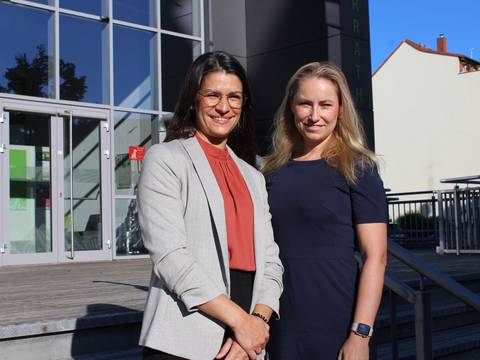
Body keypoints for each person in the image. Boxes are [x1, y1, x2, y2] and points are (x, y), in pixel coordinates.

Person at [137, 51, 283, 360]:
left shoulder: (253, 176)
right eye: (212, 95)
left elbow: (271, 260)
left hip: (248, 331)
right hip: (186, 328)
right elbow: (170, 257)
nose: (223, 106)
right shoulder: (166, 159)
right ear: (193, 99)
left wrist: (256, 323)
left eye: (234, 97)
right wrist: (240, 321)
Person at [262, 62, 388, 360]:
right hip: (280, 317)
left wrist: (360, 334)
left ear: (340, 109)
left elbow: (376, 257)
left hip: (337, 317)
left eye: (325, 105)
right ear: (291, 108)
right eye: (305, 103)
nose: (314, 115)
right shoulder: (269, 171)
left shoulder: (359, 168)